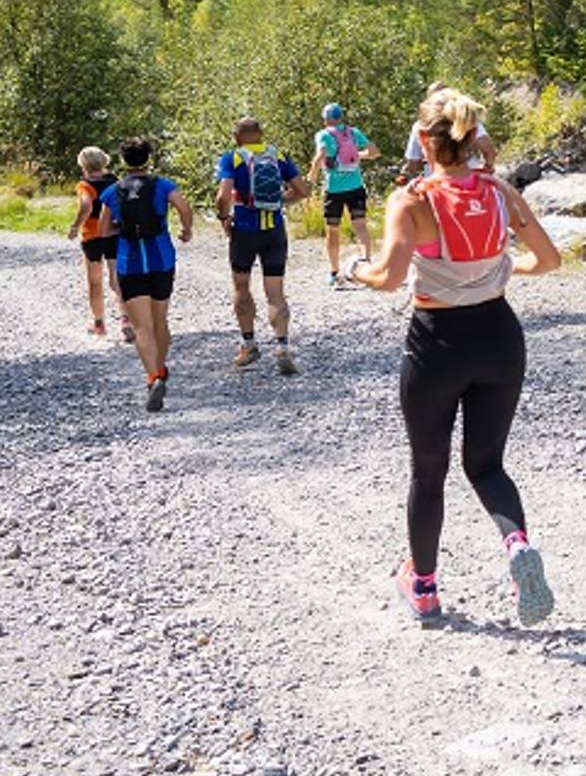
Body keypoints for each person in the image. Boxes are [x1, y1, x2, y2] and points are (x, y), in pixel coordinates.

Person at [344, 88, 561, 625]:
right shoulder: (499, 192)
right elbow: (549, 260)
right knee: (486, 465)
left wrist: (354, 268)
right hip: (499, 336)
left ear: (424, 140)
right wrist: (499, 271)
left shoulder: (412, 199)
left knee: (428, 472)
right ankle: (516, 546)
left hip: (437, 342)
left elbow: (390, 278)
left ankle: (423, 588)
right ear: (472, 140)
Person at [101, 137, 195, 413]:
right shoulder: (163, 185)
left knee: (142, 327)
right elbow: (184, 207)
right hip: (161, 260)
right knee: (160, 320)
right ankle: (161, 369)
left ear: (123, 161)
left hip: (130, 264)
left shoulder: (113, 191)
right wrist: (186, 230)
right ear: (148, 158)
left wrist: (123, 228)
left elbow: (104, 230)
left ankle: (153, 376)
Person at [215, 118, 302, 375]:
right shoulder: (278, 155)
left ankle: (249, 344)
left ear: (236, 136)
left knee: (242, 286)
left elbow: (223, 195)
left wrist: (224, 218)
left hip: (244, 231)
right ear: (261, 135)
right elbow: (302, 190)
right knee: (276, 292)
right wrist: (279, 201)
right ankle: (283, 347)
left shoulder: (232, 158)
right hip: (274, 231)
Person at [309, 103, 379, 288]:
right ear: (341, 117)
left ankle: (334, 273)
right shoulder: (353, 132)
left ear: (325, 119)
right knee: (360, 226)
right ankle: (366, 265)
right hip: (356, 186)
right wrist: (358, 156)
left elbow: (320, 154)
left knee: (333, 230)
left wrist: (312, 175)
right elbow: (374, 152)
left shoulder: (323, 134)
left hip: (334, 190)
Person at [65, 145, 124, 339]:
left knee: (95, 281)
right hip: (114, 233)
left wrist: (75, 226)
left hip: (93, 236)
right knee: (117, 280)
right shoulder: (116, 181)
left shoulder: (85, 185)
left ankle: (99, 323)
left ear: (84, 165)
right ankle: (127, 321)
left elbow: (86, 205)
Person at [398, 80, 495, 183]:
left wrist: (405, 175)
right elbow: (488, 150)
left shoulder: (420, 127)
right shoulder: (466, 120)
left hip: (435, 184)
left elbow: (413, 164)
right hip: (470, 178)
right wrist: (486, 170)